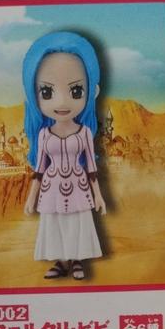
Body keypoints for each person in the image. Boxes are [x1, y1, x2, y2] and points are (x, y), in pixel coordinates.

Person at [22, 31, 106, 281]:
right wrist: (31, 197)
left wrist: (98, 195)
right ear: (32, 94)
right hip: (51, 186)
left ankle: (78, 259)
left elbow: (91, 166)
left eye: (76, 90)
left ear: (93, 90)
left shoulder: (84, 133)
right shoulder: (44, 135)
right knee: (55, 222)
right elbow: (39, 169)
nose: (61, 101)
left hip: (79, 184)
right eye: (47, 92)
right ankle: (61, 261)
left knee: (78, 222)